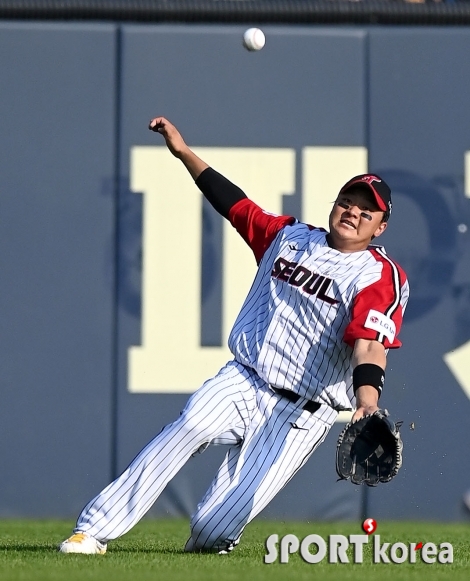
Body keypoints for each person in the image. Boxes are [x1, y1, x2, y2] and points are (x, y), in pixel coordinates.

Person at [59, 117, 409, 555]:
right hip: (244, 379)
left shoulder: (380, 275)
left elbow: (370, 342)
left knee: (210, 533)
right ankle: (91, 530)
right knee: (188, 427)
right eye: (348, 200)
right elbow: (234, 203)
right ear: (335, 203)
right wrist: (184, 152)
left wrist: (368, 401)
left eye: (366, 209)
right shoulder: (289, 237)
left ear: (379, 228)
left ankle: (215, 538)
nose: (353, 211)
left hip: (301, 414)